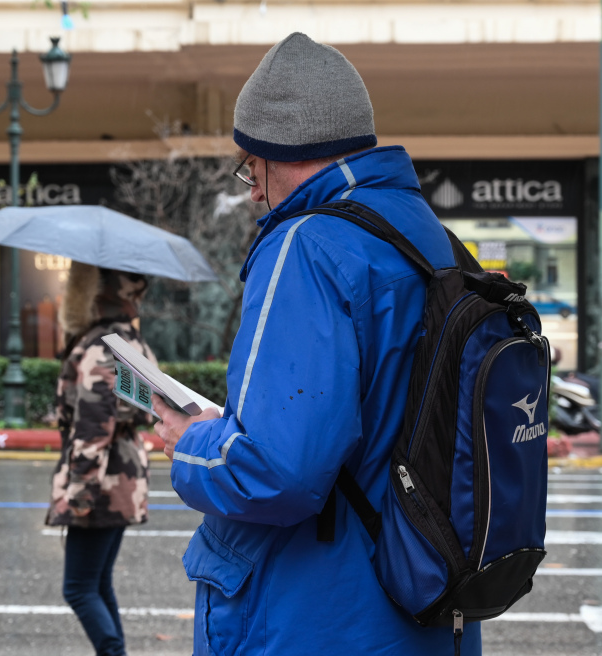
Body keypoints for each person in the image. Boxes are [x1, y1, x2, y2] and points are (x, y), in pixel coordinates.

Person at [152, 32, 481, 655]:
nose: (251, 189)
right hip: (427, 600)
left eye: (250, 165)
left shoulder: (306, 245)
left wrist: (191, 441)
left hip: (315, 613)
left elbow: (277, 474)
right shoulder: (426, 236)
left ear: (279, 151)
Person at [45, 262, 155, 656]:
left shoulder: (101, 344)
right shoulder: (131, 341)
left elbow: (94, 428)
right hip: (124, 475)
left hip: (100, 482)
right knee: (97, 582)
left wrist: (76, 494)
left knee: (77, 588)